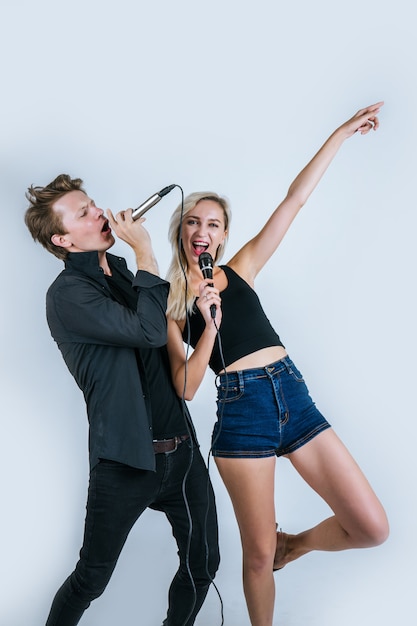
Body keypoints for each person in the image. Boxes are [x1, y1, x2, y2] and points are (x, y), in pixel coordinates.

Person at [165, 103, 389, 626]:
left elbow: (296, 200)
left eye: (213, 223)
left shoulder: (240, 269)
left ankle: (298, 545)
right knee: (257, 555)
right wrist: (209, 325)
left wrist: (341, 133)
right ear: (183, 233)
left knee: (371, 526)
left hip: (293, 394)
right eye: (193, 221)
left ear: (222, 235)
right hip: (242, 411)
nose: (203, 229)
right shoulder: (169, 307)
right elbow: (186, 386)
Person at [24, 174, 220, 626]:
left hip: (182, 453)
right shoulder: (68, 295)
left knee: (203, 563)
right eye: (84, 213)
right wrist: (147, 251)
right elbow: (148, 331)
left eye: (93, 203)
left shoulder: (127, 275)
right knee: (91, 578)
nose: (99, 212)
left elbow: (163, 338)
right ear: (63, 239)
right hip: (126, 464)